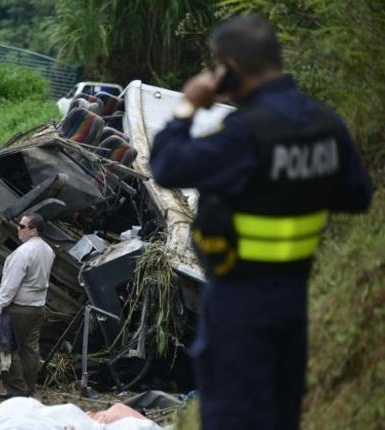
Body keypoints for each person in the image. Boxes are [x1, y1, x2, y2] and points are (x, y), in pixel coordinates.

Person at [149, 15, 373, 430]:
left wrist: (187, 105)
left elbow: (165, 165)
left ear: (231, 67)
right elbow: (356, 195)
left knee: (232, 417)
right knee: (280, 416)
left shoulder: (246, 133)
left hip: (239, 303)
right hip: (292, 299)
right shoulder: (325, 124)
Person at [0, 213, 55, 398]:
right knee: (30, 350)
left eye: (22, 226)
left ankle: (17, 392)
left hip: (19, 308)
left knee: (5, 348)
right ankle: (29, 390)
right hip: (37, 308)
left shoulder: (23, 252)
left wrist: (0, 304)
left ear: (33, 230)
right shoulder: (48, 250)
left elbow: (11, 283)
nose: (18, 229)